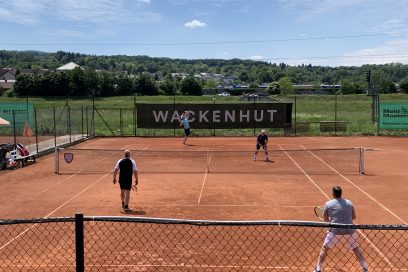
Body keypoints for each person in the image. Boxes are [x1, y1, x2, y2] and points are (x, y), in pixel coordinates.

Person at [313, 186, 368, 272]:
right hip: (350, 231)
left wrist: (332, 219)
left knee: (325, 248)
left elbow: (326, 220)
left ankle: (318, 268)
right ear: (341, 193)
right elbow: (353, 217)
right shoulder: (349, 203)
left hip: (335, 232)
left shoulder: (328, 204)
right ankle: (365, 268)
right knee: (356, 248)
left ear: (333, 194)